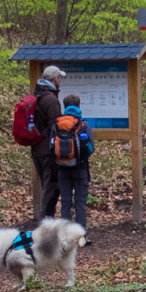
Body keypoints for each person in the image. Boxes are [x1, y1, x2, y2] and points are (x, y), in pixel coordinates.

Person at [55, 94, 95, 236]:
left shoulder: (57, 124)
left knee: (65, 201)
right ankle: (79, 235)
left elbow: (51, 146)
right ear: (78, 106)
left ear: (65, 106)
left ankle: (65, 234)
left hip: (61, 168)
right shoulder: (84, 125)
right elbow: (91, 148)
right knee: (79, 203)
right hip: (80, 168)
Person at [29, 65, 64, 220]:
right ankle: (46, 224)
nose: (60, 81)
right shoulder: (51, 100)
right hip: (48, 151)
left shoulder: (36, 94)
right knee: (52, 187)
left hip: (36, 148)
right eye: (59, 78)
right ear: (55, 79)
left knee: (47, 185)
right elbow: (55, 127)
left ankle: (47, 220)